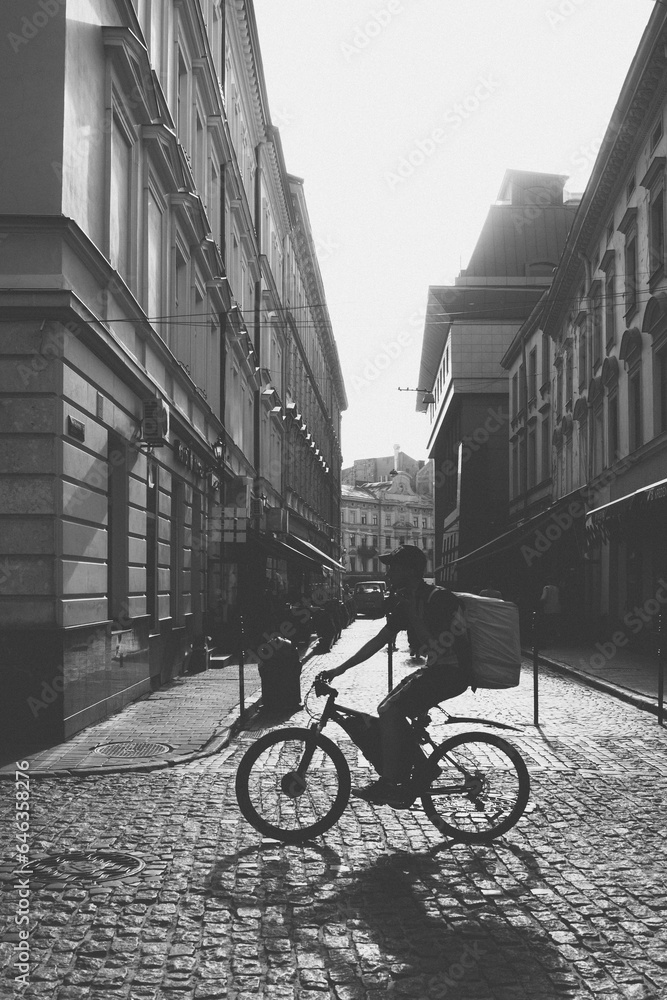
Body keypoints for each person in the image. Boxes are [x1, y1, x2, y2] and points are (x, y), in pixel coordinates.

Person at [318, 545, 473, 807]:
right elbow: (379, 640)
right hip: (436, 669)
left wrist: (412, 613)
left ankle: (389, 783)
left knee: (390, 710)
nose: (388, 572)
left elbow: (439, 646)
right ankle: (424, 768)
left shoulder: (438, 598)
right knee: (387, 709)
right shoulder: (408, 600)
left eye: (393, 567)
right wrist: (338, 669)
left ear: (409, 571)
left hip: (453, 672)